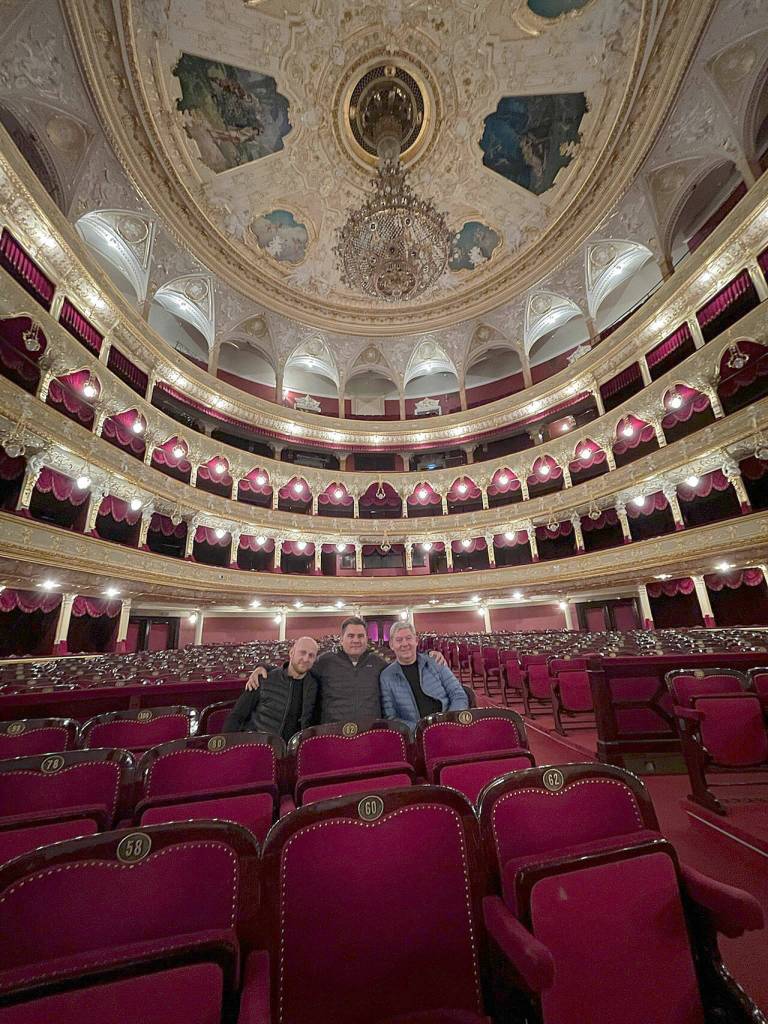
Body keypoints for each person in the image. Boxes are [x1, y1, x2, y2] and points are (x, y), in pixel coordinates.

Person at [244, 616, 447, 724]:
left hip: (372, 733)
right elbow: (298, 669)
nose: (356, 640)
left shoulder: (379, 663)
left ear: (367, 639)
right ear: (341, 639)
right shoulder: (325, 662)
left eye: (360, 636)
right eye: (351, 636)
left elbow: (406, 662)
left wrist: (429, 654)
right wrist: (266, 668)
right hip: (333, 733)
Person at [223, 636, 318, 741]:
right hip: (260, 746)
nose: (306, 659)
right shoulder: (264, 679)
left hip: (292, 751)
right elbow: (237, 716)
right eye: (302, 653)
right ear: (291, 653)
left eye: (311, 655)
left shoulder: (314, 685)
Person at [379, 621, 468, 729]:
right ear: (391, 645)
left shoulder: (435, 662)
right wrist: (420, 730)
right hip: (415, 735)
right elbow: (390, 717)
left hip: (447, 727)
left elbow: (458, 695)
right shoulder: (386, 676)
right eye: (399, 640)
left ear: (416, 641)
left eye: (408, 638)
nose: (405, 644)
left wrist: (449, 721)